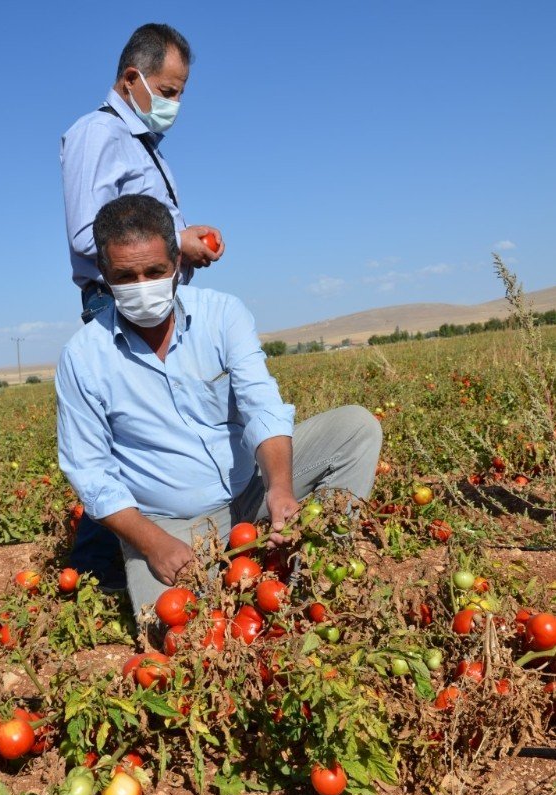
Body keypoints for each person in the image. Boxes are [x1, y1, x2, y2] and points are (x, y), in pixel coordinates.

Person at [55, 195, 382, 618]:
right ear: (103, 273)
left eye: (154, 271)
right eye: (125, 276)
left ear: (177, 261)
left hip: (253, 487)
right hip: (172, 523)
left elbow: (261, 404)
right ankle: (249, 569)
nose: (142, 286)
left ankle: (321, 569)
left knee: (356, 429)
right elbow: (90, 470)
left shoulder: (222, 315)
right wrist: (153, 544)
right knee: (174, 626)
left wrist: (280, 487)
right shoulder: (83, 357)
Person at [60, 23, 224, 588]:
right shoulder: (97, 134)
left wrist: (182, 244)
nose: (175, 103)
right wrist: (174, 243)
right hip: (119, 301)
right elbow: (87, 232)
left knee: (147, 428)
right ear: (133, 78)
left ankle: (106, 560)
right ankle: (92, 568)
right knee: (122, 430)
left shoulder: (140, 145)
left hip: (152, 299)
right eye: (169, 90)